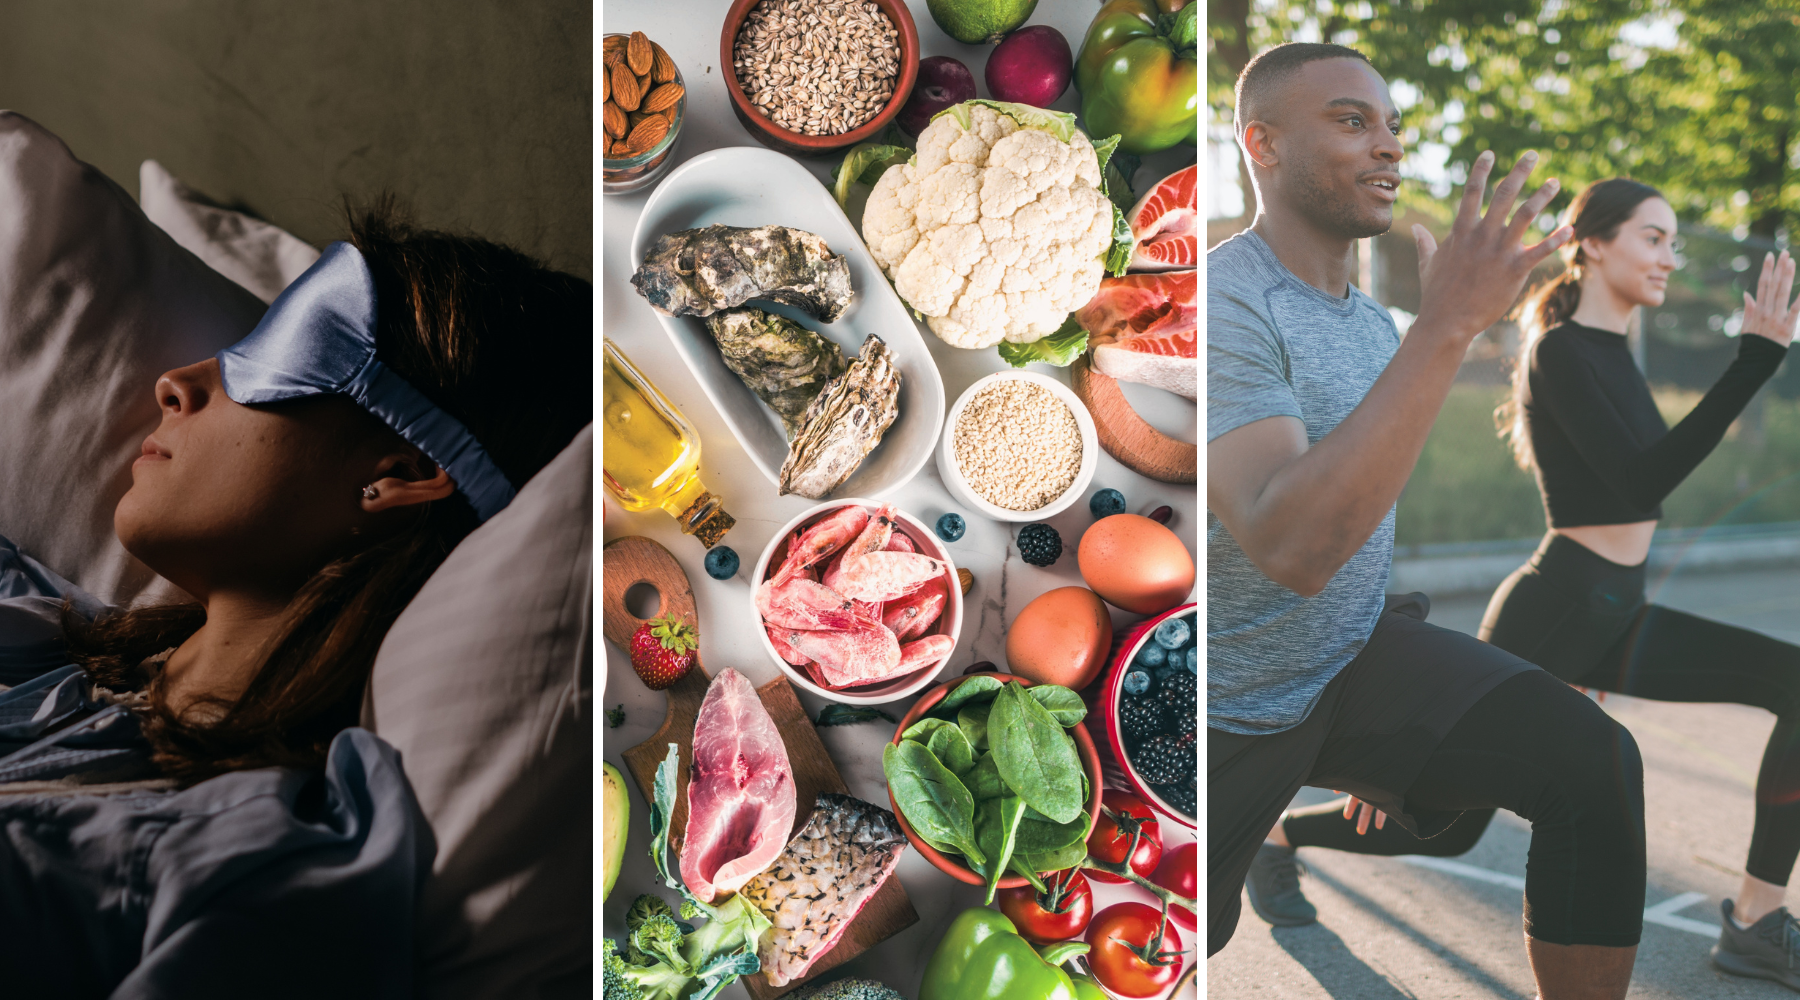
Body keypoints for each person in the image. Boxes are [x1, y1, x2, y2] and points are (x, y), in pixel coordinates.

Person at [0, 202, 590, 996]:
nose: (175, 384)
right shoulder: (42, 632)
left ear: (402, 473)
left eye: (266, 356)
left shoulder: (258, 869)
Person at [1251, 177, 1800, 991]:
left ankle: (1754, 918)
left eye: (1674, 240)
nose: (1668, 257)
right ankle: (1277, 839)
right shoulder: (1560, 352)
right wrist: (1752, 362)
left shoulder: (1612, 354)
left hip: (1619, 611)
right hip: (1553, 611)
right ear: (1594, 242)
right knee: (1442, 831)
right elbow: (1639, 483)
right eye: (1653, 236)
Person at [1209, 42, 1648, 999]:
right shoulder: (1224, 298)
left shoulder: (1375, 330)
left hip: (1348, 663)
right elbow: (1291, 547)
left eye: (1394, 127)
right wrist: (1449, 325)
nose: (1388, 150)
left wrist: (1394, 697)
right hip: (1227, 706)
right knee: (1183, 935)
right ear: (1263, 144)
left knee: (1592, 763)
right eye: (1353, 121)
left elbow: (1362, 532)